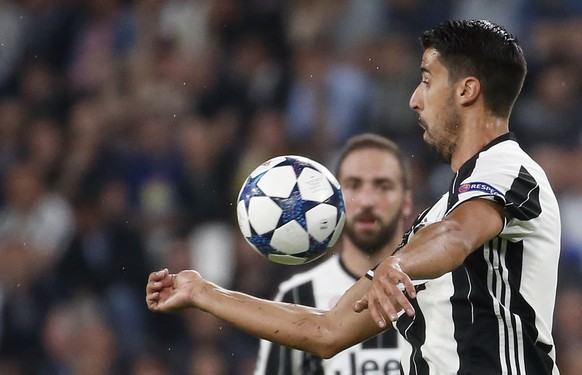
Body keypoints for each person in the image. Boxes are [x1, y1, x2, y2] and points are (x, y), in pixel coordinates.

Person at [146, 19, 562, 374]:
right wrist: (204, 293)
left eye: (426, 80)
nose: (414, 100)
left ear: (467, 90)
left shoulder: (508, 168)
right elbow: (327, 331)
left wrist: (397, 261)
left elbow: (457, 235)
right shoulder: (435, 215)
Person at [254, 133, 413, 374]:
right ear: (334, 199)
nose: (367, 200)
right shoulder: (297, 296)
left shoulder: (440, 290)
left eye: (383, 186)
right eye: (354, 185)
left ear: (407, 202)